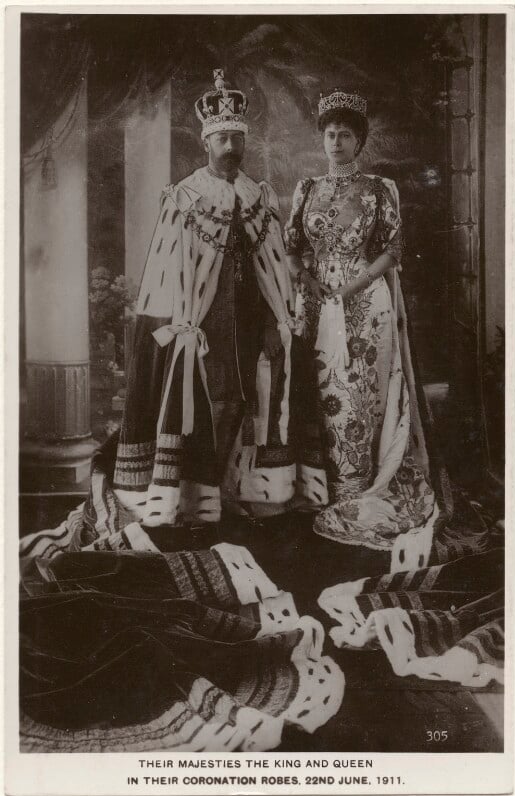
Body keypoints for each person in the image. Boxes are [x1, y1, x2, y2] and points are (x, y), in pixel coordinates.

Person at [112, 69, 299, 528]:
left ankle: (237, 492)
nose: (231, 147)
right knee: (206, 407)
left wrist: (275, 320)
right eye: (222, 139)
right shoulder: (185, 196)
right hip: (202, 322)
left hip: (250, 319)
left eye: (237, 138)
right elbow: (165, 273)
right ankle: (197, 502)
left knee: (245, 403)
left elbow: (273, 267)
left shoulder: (257, 195)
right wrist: (178, 326)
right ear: (207, 143)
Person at [285, 89, 438, 569]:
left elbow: (393, 249)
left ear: (359, 142)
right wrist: (307, 280)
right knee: (317, 390)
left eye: (345, 135)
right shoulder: (307, 188)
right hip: (316, 300)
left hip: (365, 300)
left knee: (357, 391)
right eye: (330, 134)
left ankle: (356, 489)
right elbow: (292, 246)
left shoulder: (378, 189)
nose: (336, 142)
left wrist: (352, 286)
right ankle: (318, 488)